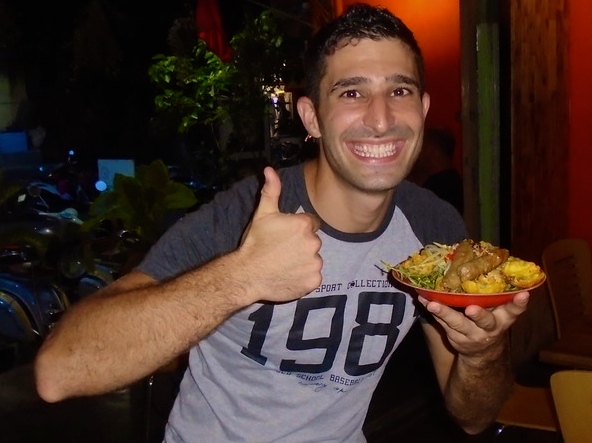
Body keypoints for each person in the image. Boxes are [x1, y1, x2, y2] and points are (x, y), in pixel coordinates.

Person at [34, 4, 529, 442]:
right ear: (311, 117)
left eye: (399, 90)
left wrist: (482, 352)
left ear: (422, 110)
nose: (381, 119)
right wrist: (241, 277)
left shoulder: (432, 225)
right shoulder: (251, 212)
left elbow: (472, 418)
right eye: (352, 93)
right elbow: (59, 371)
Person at [409, 126, 464, 214]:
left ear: (430, 149)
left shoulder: (435, 190)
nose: (416, 154)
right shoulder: (457, 183)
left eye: (420, 146)